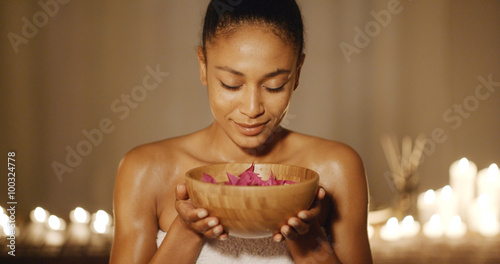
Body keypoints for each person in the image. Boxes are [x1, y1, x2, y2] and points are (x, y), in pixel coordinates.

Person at [109, 0, 372, 263]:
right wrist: (187, 230)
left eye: (275, 86)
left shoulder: (336, 169)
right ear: (203, 65)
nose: (252, 108)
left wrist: (306, 238)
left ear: (298, 73)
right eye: (231, 84)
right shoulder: (146, 170)